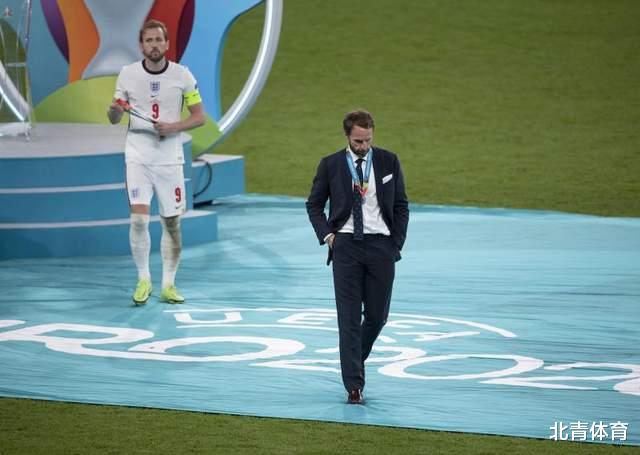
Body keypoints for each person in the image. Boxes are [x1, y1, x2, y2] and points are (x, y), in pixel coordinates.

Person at [306, 109, 409, 404]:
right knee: (349, 319)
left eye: (367, 140)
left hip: (381, 247)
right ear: (347, 136)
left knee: (377, 317)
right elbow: (314, 205)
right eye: (358, 141)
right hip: (346, 247)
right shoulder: (330, 165)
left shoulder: (388, 161)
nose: (363, 146)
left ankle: (353, 360)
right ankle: (354, 386)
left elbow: (401, 205)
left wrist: (395, 244)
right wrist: (329, 236)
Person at [107, 19, 205, 305]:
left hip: (169, 159)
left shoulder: (182, 75)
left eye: (158, 40)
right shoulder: (127, 74)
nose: (154, 45)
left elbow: (199, 117)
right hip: (137, 155)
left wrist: (173, 127)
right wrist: (114, 110)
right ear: (141, 45)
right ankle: (143, 279)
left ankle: (168, 285)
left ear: (167, 43)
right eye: (149, 41)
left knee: (172, 223)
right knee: (138, 220)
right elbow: (113, 118)